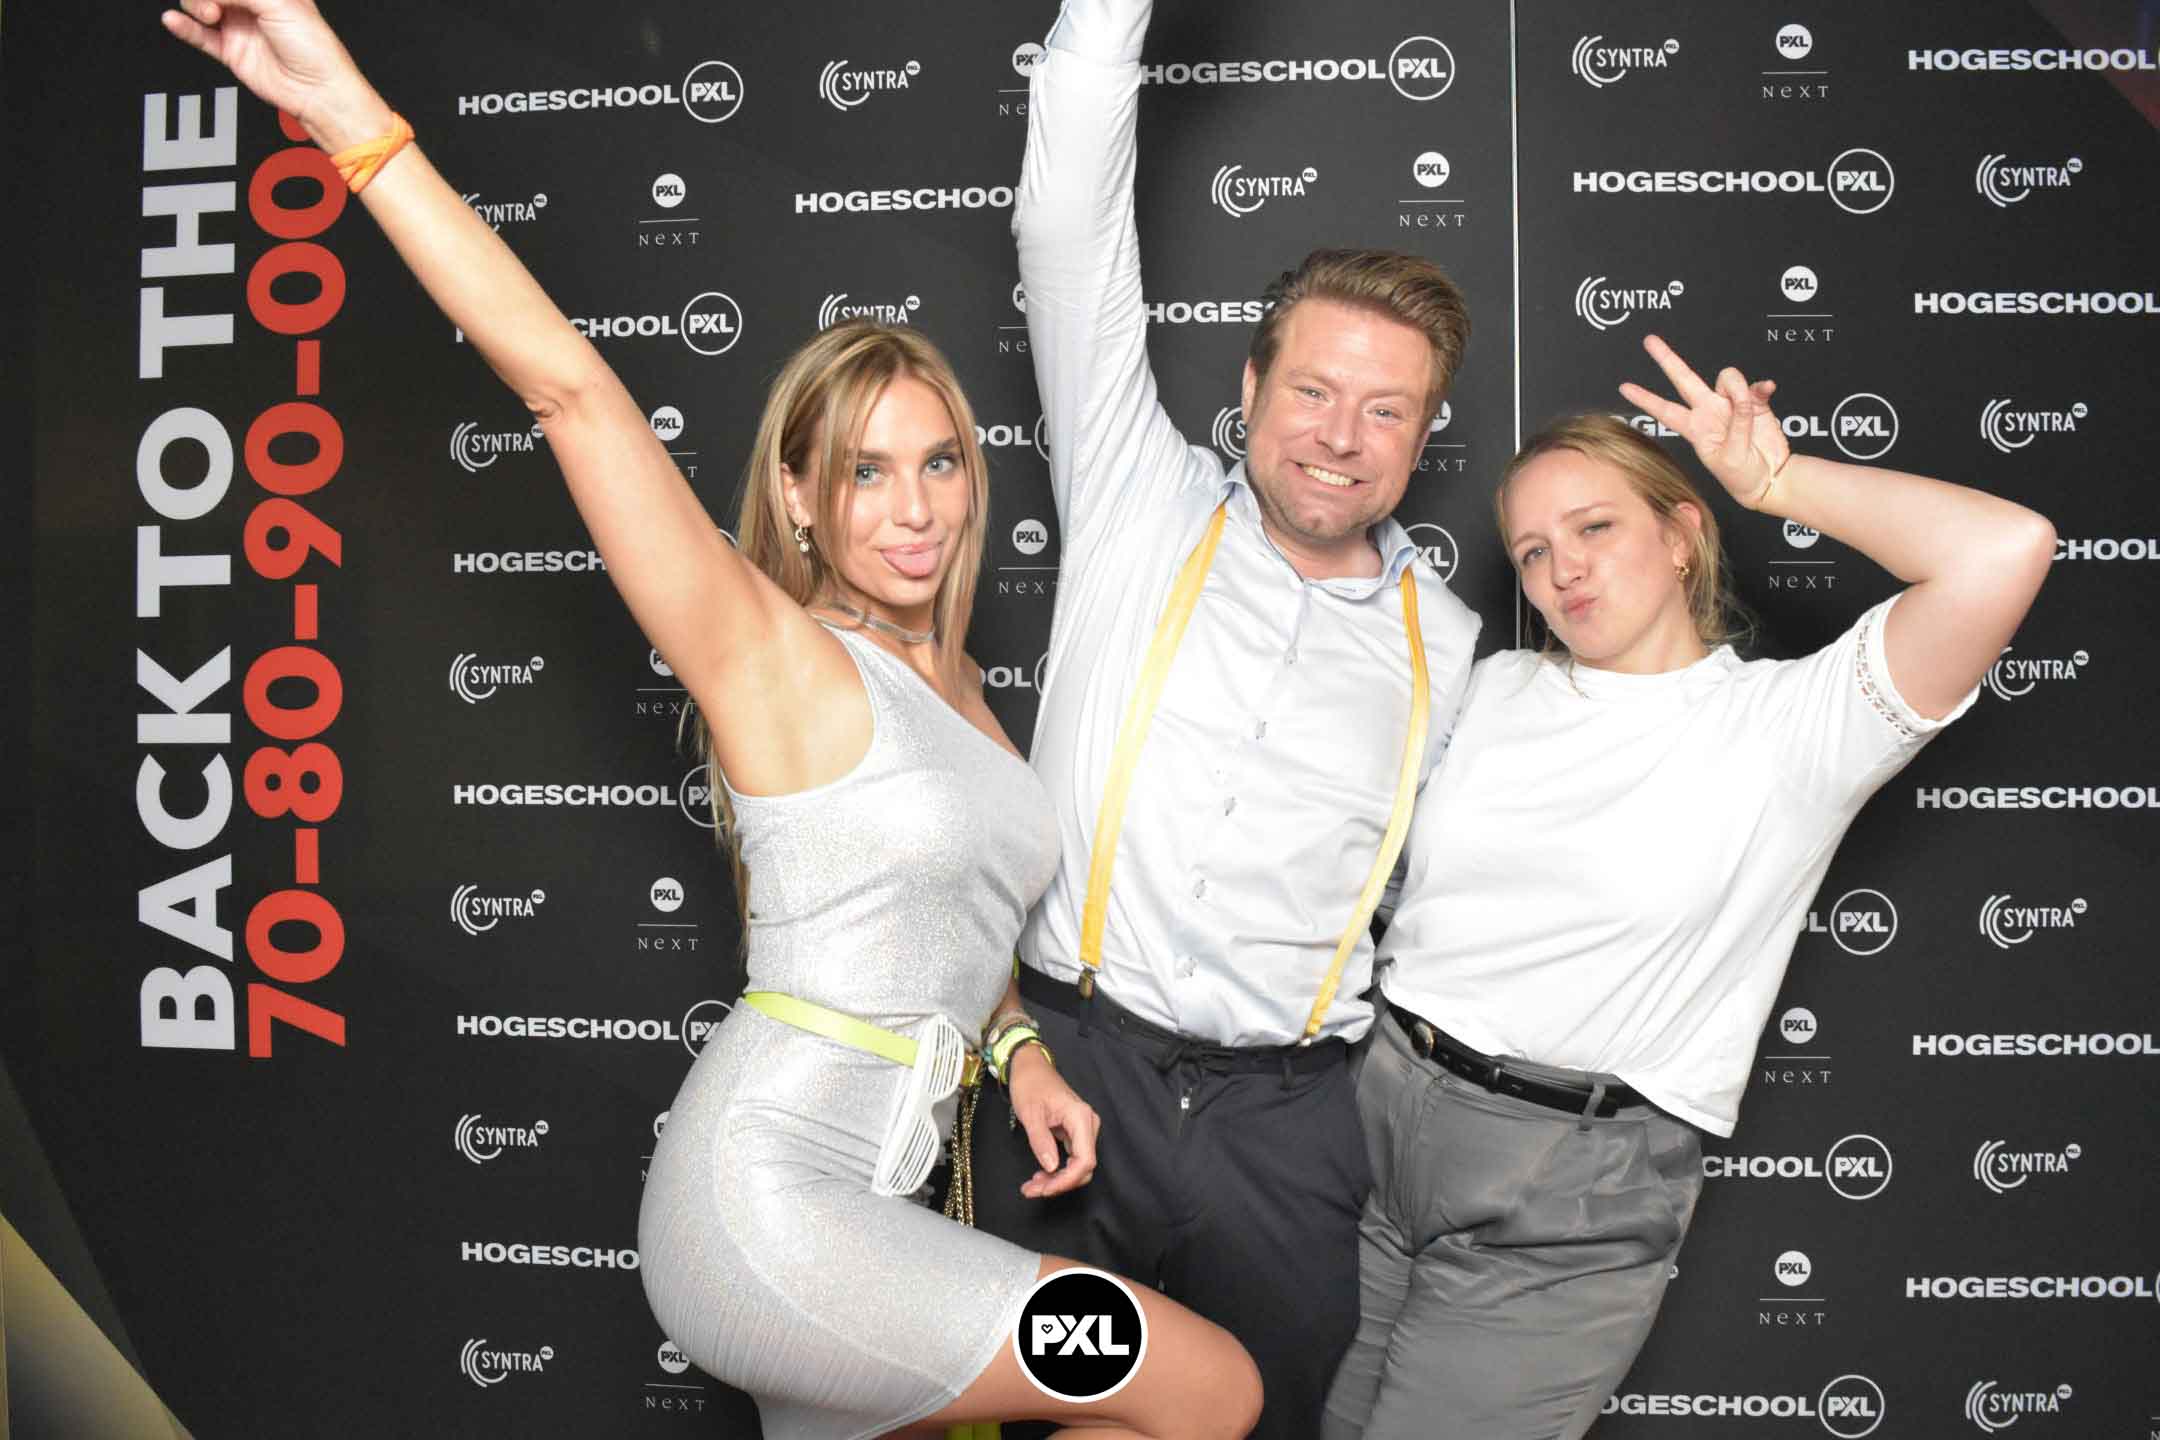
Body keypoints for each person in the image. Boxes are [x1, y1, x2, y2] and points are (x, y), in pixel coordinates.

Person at [159, 4, 1263, 1437]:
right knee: (1209, 1386)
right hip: (767, 1207)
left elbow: (949, 913)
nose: (915, 508)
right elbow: (570, 391)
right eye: (864, 471)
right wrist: (347, 119)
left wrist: (1018, 1053)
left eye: (939, 461)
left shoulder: (966, 694)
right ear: (798, 496)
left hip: (876, 1201)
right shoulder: (773, 657)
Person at [1323, 335, 2057, 1440]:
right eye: (1532, 551)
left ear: (1681, 535)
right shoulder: (1497, 684)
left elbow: (2005, 550)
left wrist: (1778, 482)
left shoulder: (1790, 729)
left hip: (1561, 1192)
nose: (1563, 570)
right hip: (1373, 1119)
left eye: (1595, 528)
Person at [967, 1, 1481, 1435]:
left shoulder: (1454, 650)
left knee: (1257, 1420)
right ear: (1250, 388)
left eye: (1387, 411)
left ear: (1424, 436)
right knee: (1021, 1410)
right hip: (1073, 1069)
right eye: (1312, 389)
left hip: (1291, 1128)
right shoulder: (1139, 497)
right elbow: (1066, 233)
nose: (1340, 436)